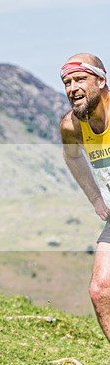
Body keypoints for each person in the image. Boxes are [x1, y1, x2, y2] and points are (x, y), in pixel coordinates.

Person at [60, 53, 110, 343]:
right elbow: (72, 157)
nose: (72, 88)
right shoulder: (72, 126)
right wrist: (95, 199)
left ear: (101, 81)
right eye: (67, 82)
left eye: (80, 79)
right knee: (100, 290)